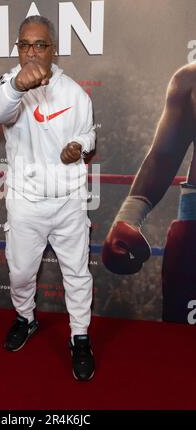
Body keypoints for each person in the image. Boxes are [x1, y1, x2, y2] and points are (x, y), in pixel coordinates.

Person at [0, 15, 96, 380]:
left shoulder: (76, 92)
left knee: (77, 275)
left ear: (53, 49)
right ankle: (25, 318)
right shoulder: (7, 82)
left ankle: (79, 336)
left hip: (68, 201)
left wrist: (79, 146)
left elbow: (89, 133)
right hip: (25, 201)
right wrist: (16, 85)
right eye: (25, 45)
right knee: (20, 273)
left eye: (40, 45)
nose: (32, 52)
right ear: (18, 48)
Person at [102, 62, 196, 323]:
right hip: (194, 230)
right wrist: (128, 217)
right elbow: (163, 156)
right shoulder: (190, 81)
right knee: (182, 345)